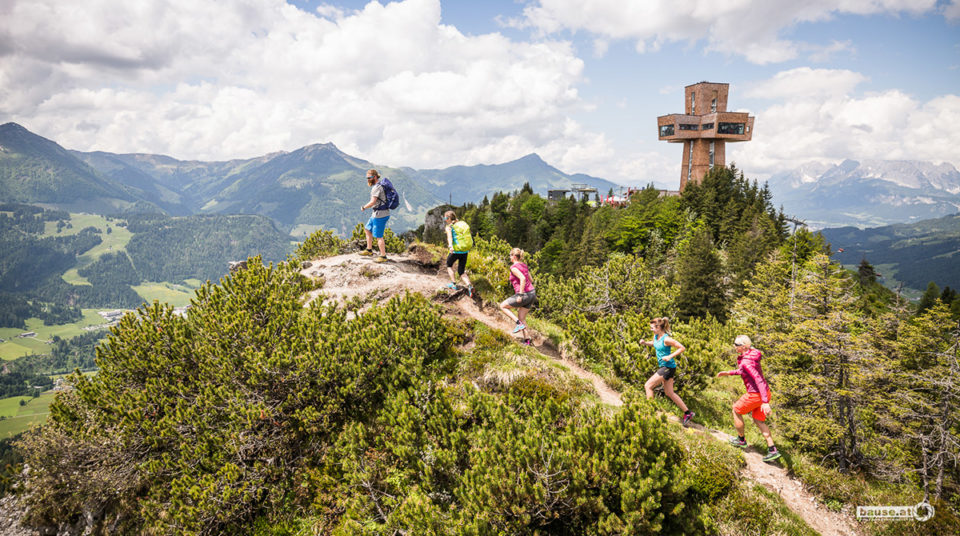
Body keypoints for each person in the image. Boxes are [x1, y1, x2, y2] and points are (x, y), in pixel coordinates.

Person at [717, 335, 780, 462]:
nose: (734, 346)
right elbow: (743, 371)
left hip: (756, 394)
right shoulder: (753, 353)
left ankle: (741, 440)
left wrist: (765, 402)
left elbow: (758, 379)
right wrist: (729, 372)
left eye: (736, 344)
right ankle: (772, 449)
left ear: (744, 346)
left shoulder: (746, 361)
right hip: (765, 392)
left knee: (736, 410)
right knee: (758, 420)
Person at [641, 318, 695, 426]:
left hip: (667, 367)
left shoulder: (666, 339)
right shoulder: (656, 336)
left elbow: (682, 347)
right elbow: (655, 344)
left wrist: (669, 356)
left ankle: (650, 412)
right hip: (666, 367)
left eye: (652, 328)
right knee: (669, 393)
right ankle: (688, 413)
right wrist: (645, 343)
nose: (651, 330)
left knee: (648, 386)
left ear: (658, 327)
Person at [499, 248, 535, 346]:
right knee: (522, 317)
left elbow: (523, 279)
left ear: (514, 257)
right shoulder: (524, 265)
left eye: (510, 256)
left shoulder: (514, 267)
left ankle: (518, 323)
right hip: (532, 292)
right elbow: (530, 279)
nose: (509, 257)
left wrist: (520, 295)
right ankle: (527, 340)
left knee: (502, 306)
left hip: (525, 294)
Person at [359, 169, 390, 263]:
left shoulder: (377, 187)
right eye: (367, 178)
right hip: (376, 213)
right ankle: (369, 250)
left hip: (380, 214)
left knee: (378, 236)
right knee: (367, 229)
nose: (368, 179)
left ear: (375, 177)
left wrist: (364, 207)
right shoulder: (379, 185)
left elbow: (373, 201)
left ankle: (383, 256)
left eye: (369, 178)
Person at [443, 211, 473, 296]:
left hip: (456, 251)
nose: (445, 220)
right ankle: (469, 286)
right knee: (461, 271)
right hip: (465, 251)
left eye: (445, 218)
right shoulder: (462, 223)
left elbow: (449, 237)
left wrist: (450, 246)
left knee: (449, 265)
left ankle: (454, 284)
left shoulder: (449, 227)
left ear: (449, 218)